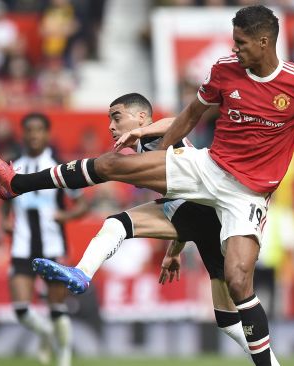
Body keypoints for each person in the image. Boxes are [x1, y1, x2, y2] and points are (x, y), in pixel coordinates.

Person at [0, 6, 294, 366]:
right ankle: (18, 182)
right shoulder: (224, 71)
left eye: (240, 42)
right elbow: (190, 117)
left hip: (247, 195)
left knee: (236, 283)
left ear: (264, 42)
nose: (233, 49)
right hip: (208, 168)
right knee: (114, 164)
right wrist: (159, 155)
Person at [32, 93, 251, 357]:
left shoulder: (155, 138)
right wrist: (173, 252)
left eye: (116, 117)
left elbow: (175, 121)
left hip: (207, 214)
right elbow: (182, 200)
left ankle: (82, 273)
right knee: (229, 323)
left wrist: (143, 132)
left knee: (117, 224)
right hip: (200, 217)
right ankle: (269, 359)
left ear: (142, 117)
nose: (111, 126)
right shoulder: (148, 150)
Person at [2, 113, 89, 366]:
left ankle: (63, 358)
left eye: (39, 129)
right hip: (21, 245)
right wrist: (4, 222)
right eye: (29, 130)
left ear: (47, 134)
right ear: (23, 133)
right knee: (21, 310)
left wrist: (66, 214)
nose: (33, 135)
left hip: (53, 246)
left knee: (56, 308)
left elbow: (82, 205)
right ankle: (47, 335)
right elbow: (4, 202)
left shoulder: (60, 167)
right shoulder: (12, 167)